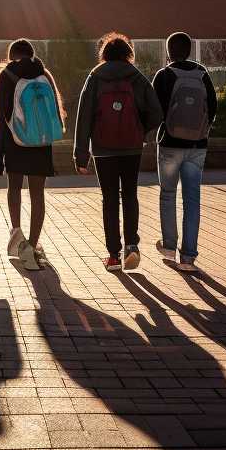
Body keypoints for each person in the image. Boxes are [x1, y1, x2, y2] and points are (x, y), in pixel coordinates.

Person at [74, 33, 163, 272]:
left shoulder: (95, 77)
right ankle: (132, 246)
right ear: (127, 54)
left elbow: (83, 116)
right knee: (130, 194)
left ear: (104, 54)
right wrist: (140, 133)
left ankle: (113, 255)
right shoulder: (137, 77)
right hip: (131, 147)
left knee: (109, 199)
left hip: (103, 149)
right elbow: (157, 112)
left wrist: (81, 154)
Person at [0, 38, 65, 271]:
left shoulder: (6, 75)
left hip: (15, 141)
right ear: (31, 54)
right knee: (37, 194)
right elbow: (55, 115)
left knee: (14, 187)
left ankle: (17, 234)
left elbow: (2, 118)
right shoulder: (44, 75)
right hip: (41, 143)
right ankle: (32, 245)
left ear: (11, 55)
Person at [152, 32, 217, 272]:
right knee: (192, 198)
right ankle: (189, 255)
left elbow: (154, 109)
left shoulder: (164, 75)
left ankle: (169, 246)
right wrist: (200, 131)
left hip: (170, 144)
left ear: (168, 52)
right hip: (197, 146)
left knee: (168, 194)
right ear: (189, 51)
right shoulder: (202, 74)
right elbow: (213, 107)